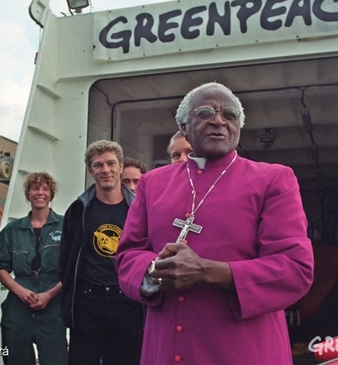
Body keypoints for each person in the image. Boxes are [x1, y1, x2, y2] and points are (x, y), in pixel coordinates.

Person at [115, 82, 314, 365]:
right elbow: (127, 255)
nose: (219, 120)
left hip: (245, 351)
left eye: (230, 115)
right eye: (206, 112)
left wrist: (206, 271)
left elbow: (295, 268)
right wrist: (154, 270)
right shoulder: (153, 183)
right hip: (165, 350)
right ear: (183, 127)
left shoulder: (273, 179)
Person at [59, 140, 144, 365]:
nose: (105, 170)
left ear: (120, 166)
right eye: (98, 165)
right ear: (90, 170)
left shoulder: (138, 209)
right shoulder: (78, 210)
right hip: (87, 304)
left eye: (110, 163)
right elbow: (66, 261)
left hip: (127, 303)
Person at [0, 172, 67, 365]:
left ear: (51, 194)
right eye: (35, 188)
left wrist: (50, 294)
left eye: (45, 189)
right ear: (27, 194)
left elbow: (72, 269)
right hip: (18, 310)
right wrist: (20, 291)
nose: (40, 193)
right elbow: (1, 267)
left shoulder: (66, 226)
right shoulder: (12, 230)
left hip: (53, 310)